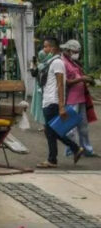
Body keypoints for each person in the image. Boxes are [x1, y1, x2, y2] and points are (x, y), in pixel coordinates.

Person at [37, 37, 84, 168]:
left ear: (53, 48)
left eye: (46, 46)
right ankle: (74, 149)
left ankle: (53, 159)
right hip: (49, 100)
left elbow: (60, 84)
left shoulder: (57, 62)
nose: (44, 49)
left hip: (53, 101)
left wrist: (61, 106)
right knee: (51, 130)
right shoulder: (51, 61)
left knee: (51, 131)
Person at [60, 39, 96, 157]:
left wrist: (86, 78)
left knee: (83, 127)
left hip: (81, 98)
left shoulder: (73, 62)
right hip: (71, 99)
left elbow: (78, 76)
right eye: (74, 51)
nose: (76, 53)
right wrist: (82, 79)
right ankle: (71, 150)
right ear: (68, 50)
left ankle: (87, 149)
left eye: (77, 51)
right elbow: (66, 82)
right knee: (71, 128)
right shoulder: (63, 62)